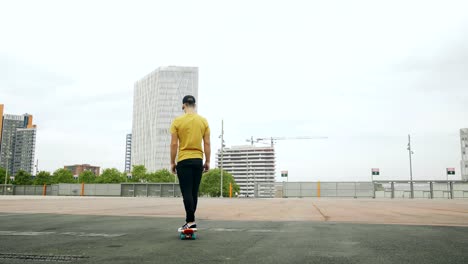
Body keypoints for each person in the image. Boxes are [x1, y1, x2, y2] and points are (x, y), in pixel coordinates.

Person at [170, 95, 210, 231]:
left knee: (186, 192)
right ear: (195, 105)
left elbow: (174, 144)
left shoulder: (177, 121)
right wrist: (208, 161)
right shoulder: (203, 121)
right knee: (193, 193)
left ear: (183, 106)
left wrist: (172, 162)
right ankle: (190, 221)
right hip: (198, 160)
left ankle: (191, 221)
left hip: (183, 160)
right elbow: (207, 143)